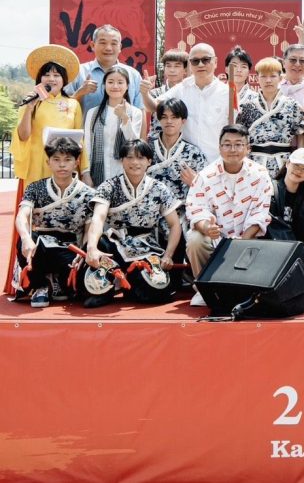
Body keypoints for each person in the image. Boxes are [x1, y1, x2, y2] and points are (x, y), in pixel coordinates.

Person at [82, 140, 182, 308]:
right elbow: (98, 217)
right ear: (122, 160)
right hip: (114, 242)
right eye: (129, 157)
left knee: (158, 290)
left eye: (140, 158)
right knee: (91, 280)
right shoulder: (109, 186)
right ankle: (105, 291)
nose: (135, 162)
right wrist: (91, 247)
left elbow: (175, 225)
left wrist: (168, 255)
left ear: (149, 161)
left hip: (145, 246)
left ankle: (132, 286)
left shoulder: (159, 188)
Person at [184, 124, 273, 307]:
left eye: (238, 144)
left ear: (248, 148)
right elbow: (195, 209)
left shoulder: (260, 175)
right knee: (195, 239)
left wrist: (241, 243)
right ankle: (204, 288)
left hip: (248, 236)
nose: (233, 149)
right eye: (227, 144)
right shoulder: (205, 176)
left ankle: (242, 290)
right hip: (216, 237)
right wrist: (207, 228)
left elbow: (260, 212)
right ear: (219, 147)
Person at [12, 138, 94, 308]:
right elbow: (22, 216)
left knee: (81, 287)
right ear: (48, 162)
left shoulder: (88, 194)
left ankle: (57, 281)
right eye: (56, 159)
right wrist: (26, 238)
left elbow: (89, 230)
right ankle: (40, 285)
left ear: (76, 162)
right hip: (40, 245)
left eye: (67, 160)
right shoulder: (36, 188)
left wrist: (84, 253)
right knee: (25, 240)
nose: (62, 165)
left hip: (70, 247)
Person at [12, 45, 89, 184]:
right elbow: (23, 136)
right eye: (46, 75)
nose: (51, 79)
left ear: (64, 79)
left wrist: (85, 171)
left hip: (64, 165)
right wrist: (29, 108)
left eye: (56, 75)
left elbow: (80, 140)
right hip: (36, 165)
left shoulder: (73, 104)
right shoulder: (31, 102)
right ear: (39, 79)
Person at [147, 98, 208, 272]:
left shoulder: (193, 152)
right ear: (159, 120)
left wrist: (195, 182)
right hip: (150, 212)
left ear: (183, 121)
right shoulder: (147, 149)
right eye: (164, 117)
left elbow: (206, 188)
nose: (169, 121)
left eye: (174, 117)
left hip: (180, 213)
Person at [144, 43, 230, 166]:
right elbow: (153, 107)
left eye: (205, 60)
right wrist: (145, 93)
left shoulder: (227, 93)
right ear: (190, 64)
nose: (200, 64)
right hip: (187, 164)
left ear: (215, 62)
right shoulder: (181, 88)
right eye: (195, 61)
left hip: (216, 163)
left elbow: (235, 130)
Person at [234, 57, 304, 178]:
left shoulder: (293, 106)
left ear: (280, 78)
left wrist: (298, 164)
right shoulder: (246, 106)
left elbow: (300, 140)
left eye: (272, 76)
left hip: (284, 164)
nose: (268, 80)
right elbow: (240, 139)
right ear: (257, 78)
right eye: (263, 76)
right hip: (254, 164)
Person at [83, 65, 144, 186]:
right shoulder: (93, 113)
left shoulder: (135, 112)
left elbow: (134, 143)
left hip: (124, 171)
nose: (115, 86)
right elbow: (87, 145)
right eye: (110, 82)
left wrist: (124, 118)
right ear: (104, 85)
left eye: (120, 82)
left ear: (127, 86)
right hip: (97, 173)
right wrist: (85, 173)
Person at [64, 24, 143, 115]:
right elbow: (62, 110)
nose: (108, 48)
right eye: (103, 43)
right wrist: (79, 93)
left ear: (120, 47)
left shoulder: (133, 75)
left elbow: (140, 113)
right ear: (93, 45)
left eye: (113, 43)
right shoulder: (77, 72)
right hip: (87, 124)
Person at [267, 149, 304, 257]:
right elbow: (272, 226)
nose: (299, 171)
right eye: (296, 165)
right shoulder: (271, 190)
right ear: (287, 164)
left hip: (298, 253)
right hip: (275, 250)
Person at [280, 44, 304, 108]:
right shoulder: (275, 88)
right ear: (284, 63)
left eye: (302, 60)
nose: (297, 64)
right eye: (293, 59)